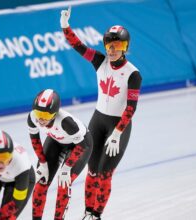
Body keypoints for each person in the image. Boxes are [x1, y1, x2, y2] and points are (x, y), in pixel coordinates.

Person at [60, 7, 143, 220]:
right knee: (92, 171)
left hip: (118, 126)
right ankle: (88, 213)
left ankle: (97, 214)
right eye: (109, 45)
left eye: (118, 45)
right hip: (97, 121)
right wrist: (65, 27)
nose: (112, 49)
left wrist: (117, 133)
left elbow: (131, 108)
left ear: (125, 47)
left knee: (105, 175)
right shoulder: (99, 61)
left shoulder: (133, 74)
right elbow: (78, 46)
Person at [28, 89, 93, 220]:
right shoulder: (32, 118)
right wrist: (42, 163)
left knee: (63, 183)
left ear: (55, 114)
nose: (40, 119)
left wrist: (66, 168)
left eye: (45, 116)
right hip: (56, 140)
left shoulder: (66, 122)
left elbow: (82, 146)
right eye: (38, 113)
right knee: (42, 181)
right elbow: (35, 140)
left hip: (80, 145)